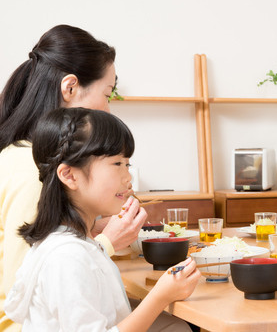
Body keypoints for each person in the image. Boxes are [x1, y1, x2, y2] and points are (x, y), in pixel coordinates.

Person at [0, 24, 146, 331]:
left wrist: (88, 223)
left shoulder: (20, 153)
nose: (109, 108)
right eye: (107, 94)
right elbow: (26, 282)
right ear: (69, 88)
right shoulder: (33, 171)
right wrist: (105, 241)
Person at [4, 107, 200, 331]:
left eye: (128, 164)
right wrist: (160, 296)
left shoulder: (73, 243)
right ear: (69, 175)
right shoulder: (67, 257)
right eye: (117, 164)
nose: (128, 178)